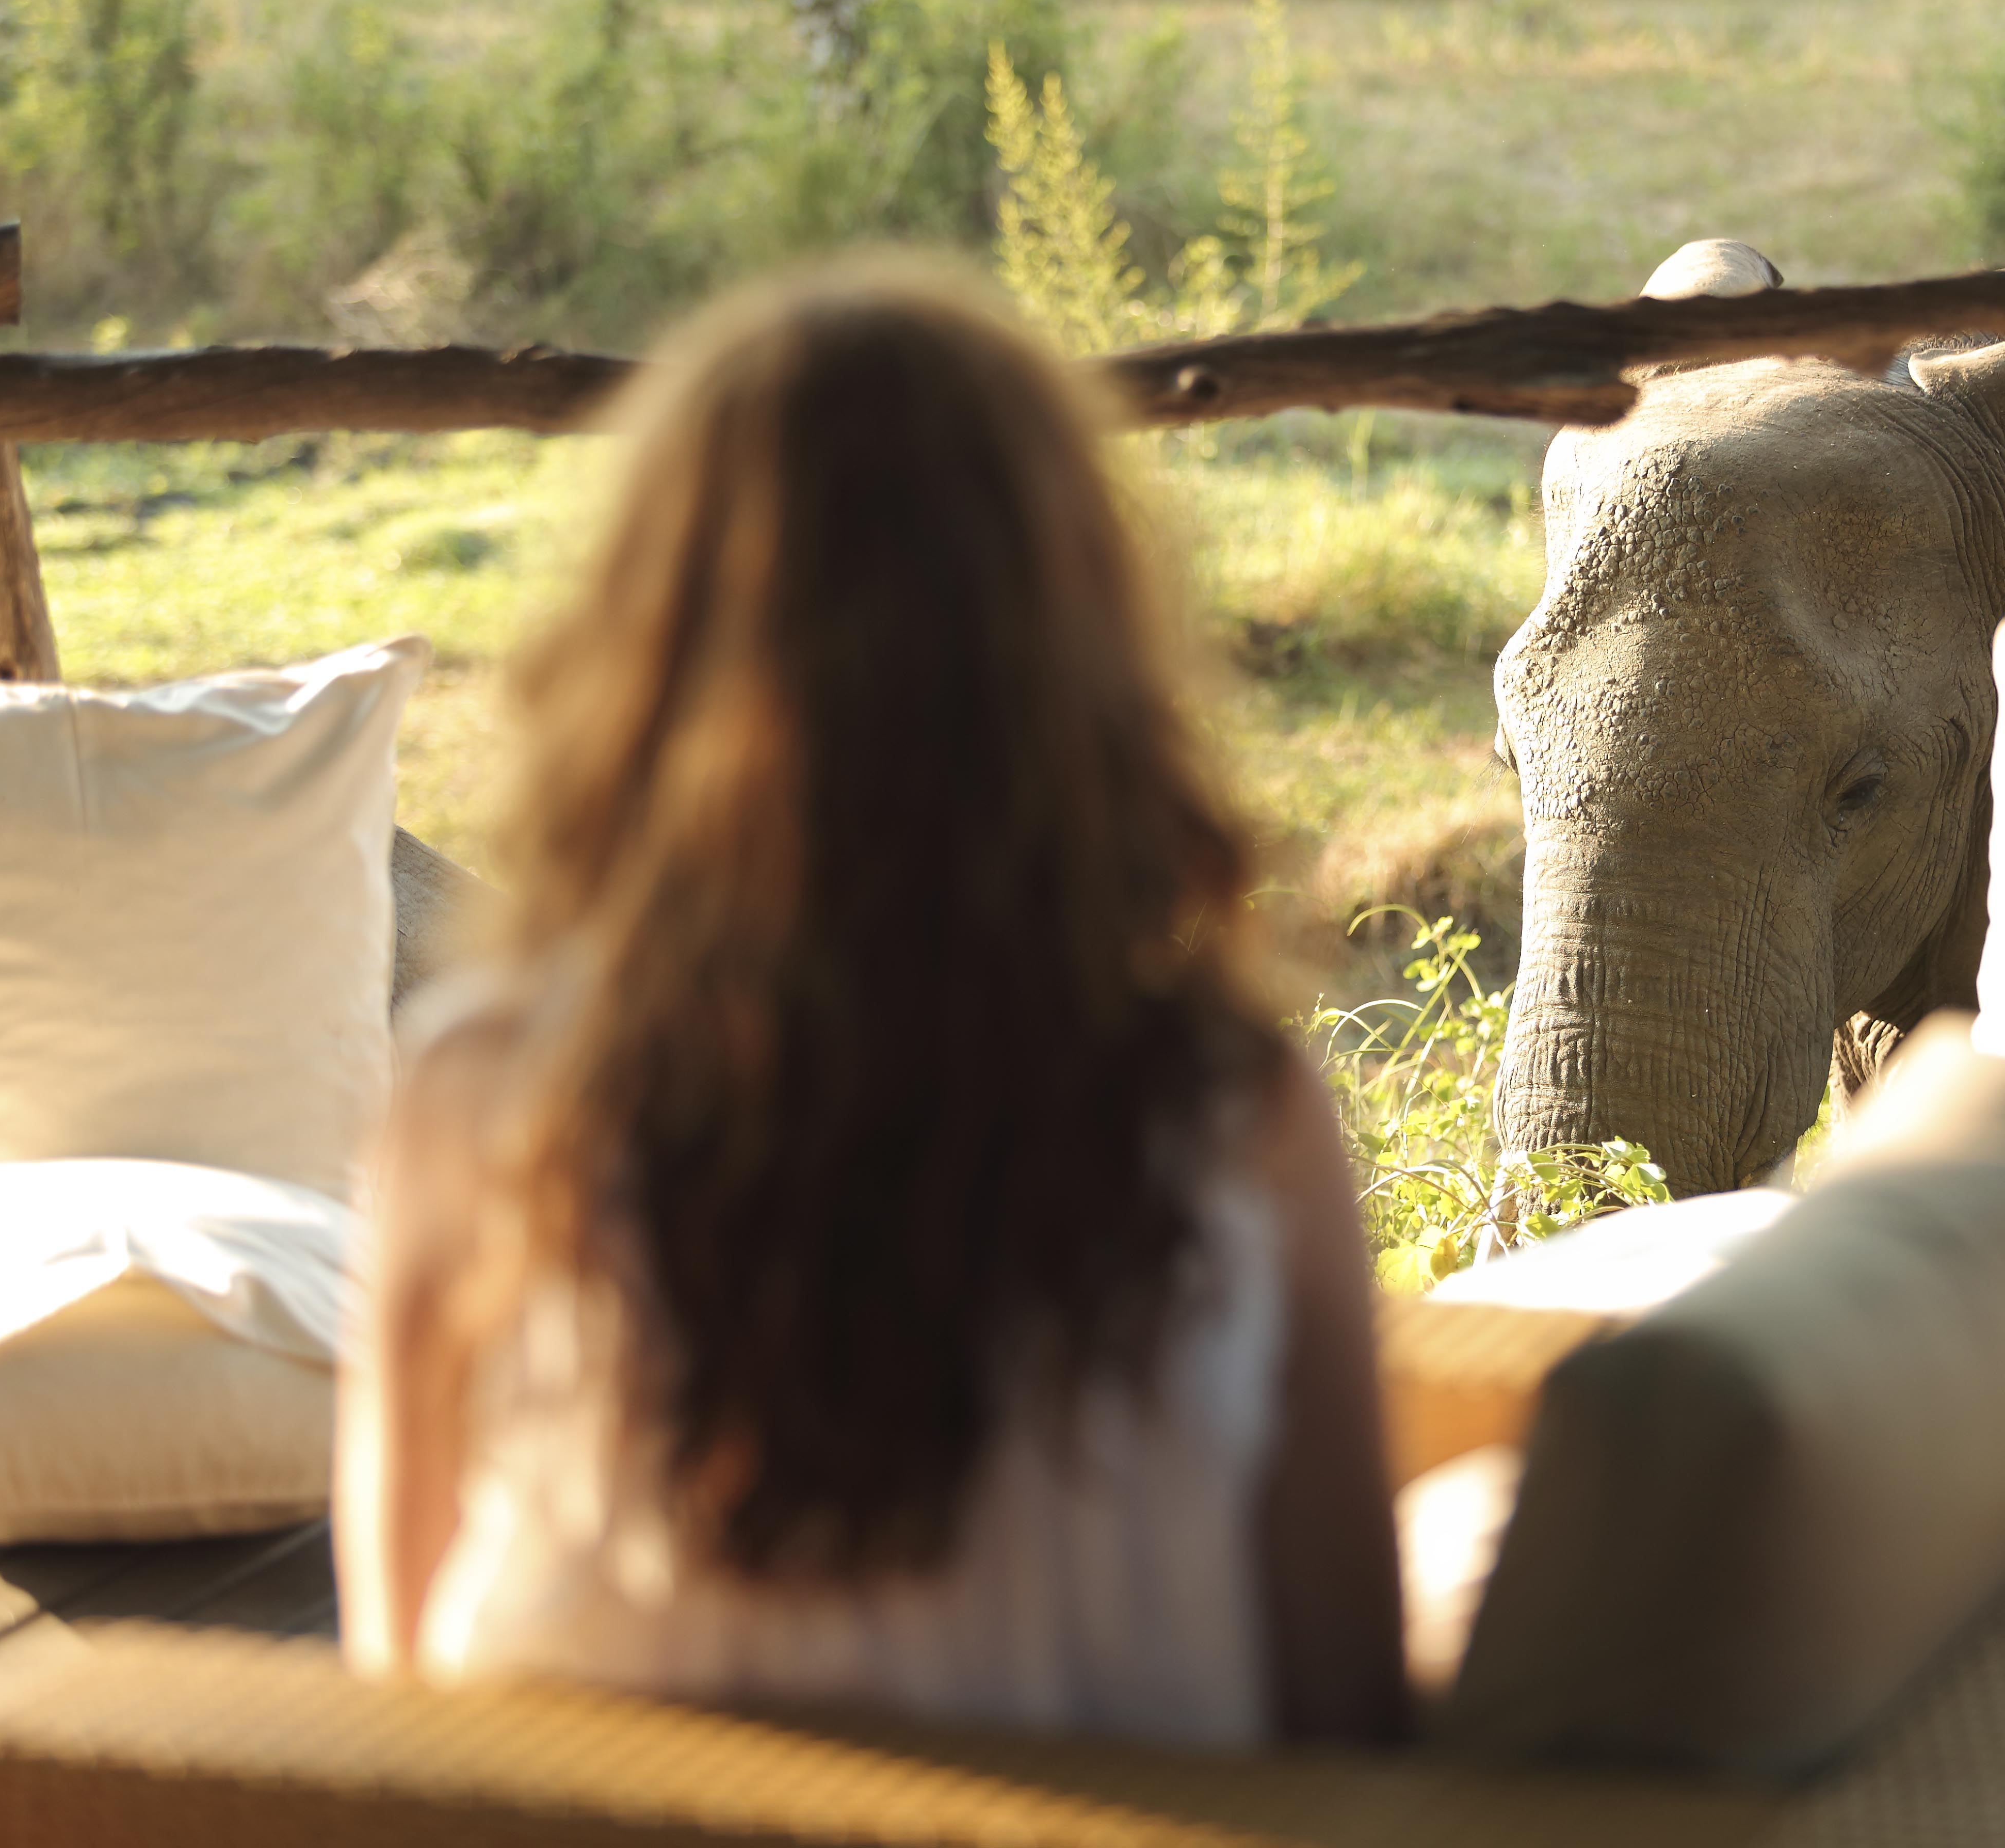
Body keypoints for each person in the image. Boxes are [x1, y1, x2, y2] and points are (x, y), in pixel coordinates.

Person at [335, 261, 1409, 1748]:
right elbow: (1343, 1700)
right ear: (1079, 642)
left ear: (654, 642)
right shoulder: (1232, 1105)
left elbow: (396, 1695)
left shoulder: (481, 1094)